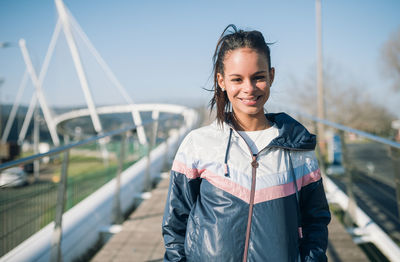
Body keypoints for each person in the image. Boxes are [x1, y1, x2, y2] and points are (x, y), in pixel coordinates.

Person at [162, 24, 331, 262]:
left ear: (271, 76)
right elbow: (175, 225)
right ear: (221, 81)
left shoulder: (298, 149)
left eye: (258, 77)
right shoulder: (197, 144)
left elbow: (315, 223)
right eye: (237, 79)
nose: (249, 89)